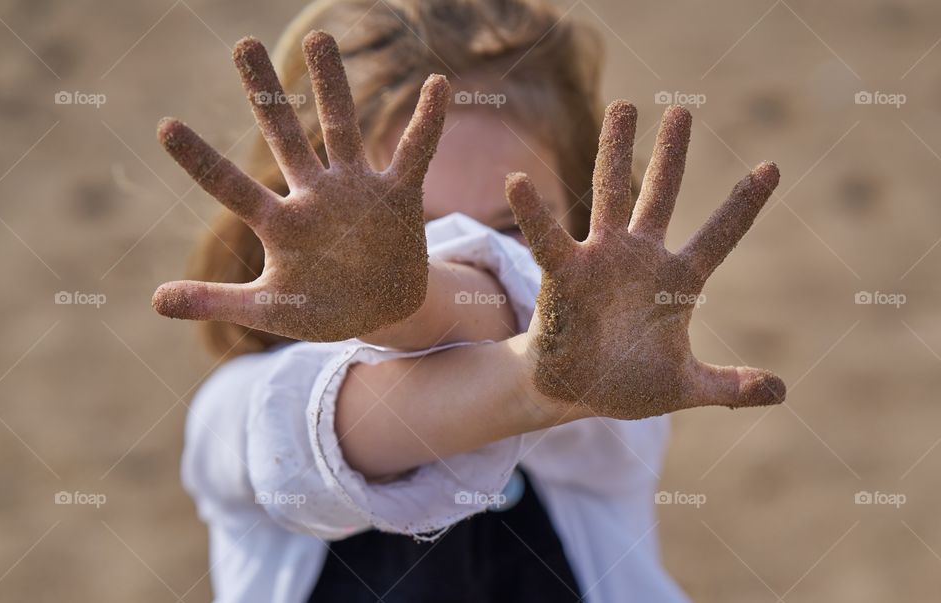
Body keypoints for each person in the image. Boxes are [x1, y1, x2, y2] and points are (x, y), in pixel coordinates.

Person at [153, 1, 784, 600]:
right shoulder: (234, 415)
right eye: (407, 225)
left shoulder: (611, 409)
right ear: (291, 219)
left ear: (587, 220)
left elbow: (506, 311)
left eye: (515, 227)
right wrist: (528, 378)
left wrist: (412, 303)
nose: (457, 252)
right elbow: (350, 425)